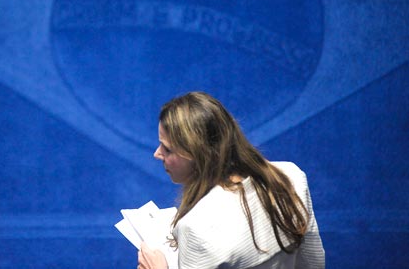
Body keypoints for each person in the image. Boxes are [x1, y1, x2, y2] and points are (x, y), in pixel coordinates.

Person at [138, 92, 325, 269]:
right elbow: (314, 263)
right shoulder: (291, 176)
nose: (157, 154)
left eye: (167, 149)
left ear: (198, 155)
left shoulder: (196, 228)